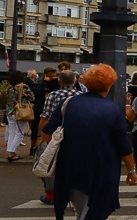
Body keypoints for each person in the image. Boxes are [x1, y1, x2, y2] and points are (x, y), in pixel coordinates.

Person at [43, 64, 137, 220]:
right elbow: (123, 145)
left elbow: (47, 130)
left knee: (81, 216)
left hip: (69, 169)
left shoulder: (70, 103)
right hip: (99, 172)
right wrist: (132, 170)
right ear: (109, 84)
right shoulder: (113, 109)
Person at [36, 70, 81, 204]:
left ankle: (51, 195)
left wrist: (41, 135)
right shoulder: (81, 95)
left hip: (55, 136)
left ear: (59, 81)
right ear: (75, 81)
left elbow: (45, 117)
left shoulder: (53, 95)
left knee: (49, 163)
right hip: (77, 135)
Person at [6, 70, 35, 162]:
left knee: (12, 132)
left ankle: (10, 151)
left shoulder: (9, 88)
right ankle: (12, 153)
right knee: (20, 133)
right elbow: (32, 97)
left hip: (10, 112)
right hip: (20, 112)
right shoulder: (23, 87)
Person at [28, 67, 57, 156]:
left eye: (54, 76)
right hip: (39, 109)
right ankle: (33, 147)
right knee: (35, 129)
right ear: (45, 75)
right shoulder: (38, 83)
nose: (52, 78)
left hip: (49, 109)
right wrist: (44, 83)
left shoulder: (55, 83)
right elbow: (35, 92)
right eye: (50, 76)